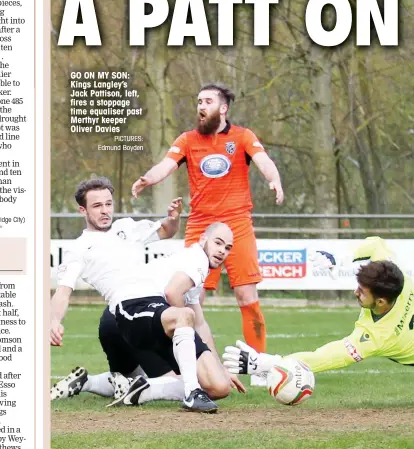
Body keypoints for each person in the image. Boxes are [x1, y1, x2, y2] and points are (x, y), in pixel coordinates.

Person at [131, 82, 284, 385]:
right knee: (188, 297)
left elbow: (264, 161)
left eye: (208, 101)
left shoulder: (243, 137)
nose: (201, 106)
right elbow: (166, 165)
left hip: (237, 222)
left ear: (223, 108)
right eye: (198, 101)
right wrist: (147, 179)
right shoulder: (188, 140)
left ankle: (258, 365)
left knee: (246, 294)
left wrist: (274, 178)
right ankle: (186, 365)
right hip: (201, 224)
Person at [50, 177, 233, 413]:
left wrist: (173, 218)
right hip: (130, 308)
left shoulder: (126, 226)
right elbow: (63, 291)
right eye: (97, 206)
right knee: (184, 314)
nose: (105, 211)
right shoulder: (79, 248)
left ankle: (146, 387)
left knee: (220, 386)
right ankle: (191, 394)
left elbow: (167, 230)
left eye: (108, 203)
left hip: (158, 307)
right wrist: (54, 320)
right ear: (82, 210)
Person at [222, 237, 414, 378]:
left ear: (381, 302)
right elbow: (377, 245)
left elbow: (324, 358)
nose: (356, 293)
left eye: (362, 292)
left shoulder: (376, 337)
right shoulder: (399, 279)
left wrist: (268, 363)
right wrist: (341, 258)